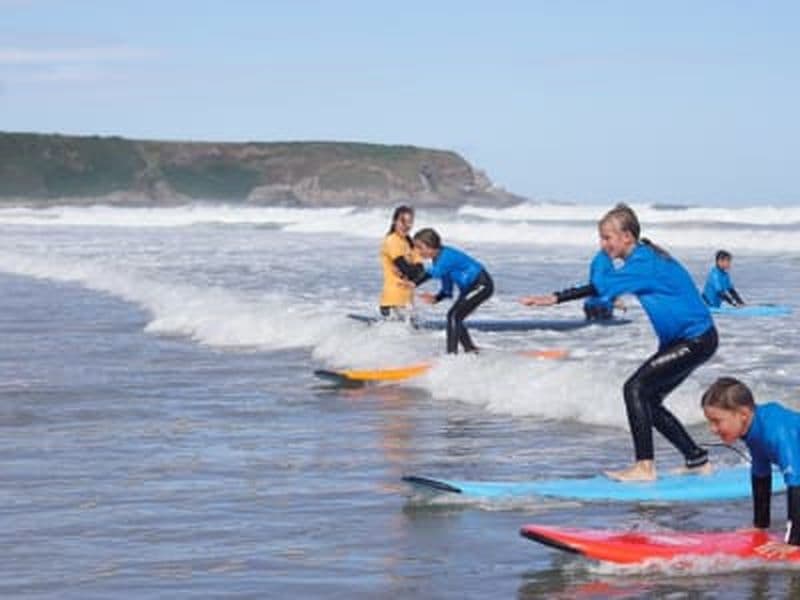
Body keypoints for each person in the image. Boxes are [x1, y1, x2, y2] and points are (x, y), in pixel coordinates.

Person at [520, 203, 717, 481]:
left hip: (695, 339)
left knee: (634, 388)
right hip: (690, 340)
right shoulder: (641, 260)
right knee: (649, 399)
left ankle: (644, 467)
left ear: (627, 236)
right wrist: (558, 297)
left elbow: (602, 284)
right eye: (601, 238)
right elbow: (604, 287)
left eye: (606, 237)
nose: (603, 244)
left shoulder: (644, 262)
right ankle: (696, 459)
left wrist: (559, 294)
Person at [702, 377, 800, 559]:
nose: (713, 429)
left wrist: (794, 543)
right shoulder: (755, 431)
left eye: (717, 421)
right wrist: (760, 525)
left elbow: (796, 485)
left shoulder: (775, 431)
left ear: (743, 415)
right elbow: (761, 474)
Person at [410, 228, 493, 354]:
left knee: (453, 316)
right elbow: (447, 286)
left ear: (431, 246)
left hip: (482, 285)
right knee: (456, 316)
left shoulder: (446, 256)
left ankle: (451, 355)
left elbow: (433, 273)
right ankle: (470, 350)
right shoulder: (438, 259)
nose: (418, 251)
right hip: (470, 288)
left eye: (420, 247)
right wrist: (437, 298)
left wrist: (413, 283)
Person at [379, 205, 422, 320]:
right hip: (392, 301)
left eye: (410, 222)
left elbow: (420, 270)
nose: (406, 225)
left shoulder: (410, 242)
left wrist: (413, 271)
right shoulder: (392, 240)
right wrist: (411, 271)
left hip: (407, 301)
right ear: (394, 221)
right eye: (402, 221)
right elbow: (406, 269)